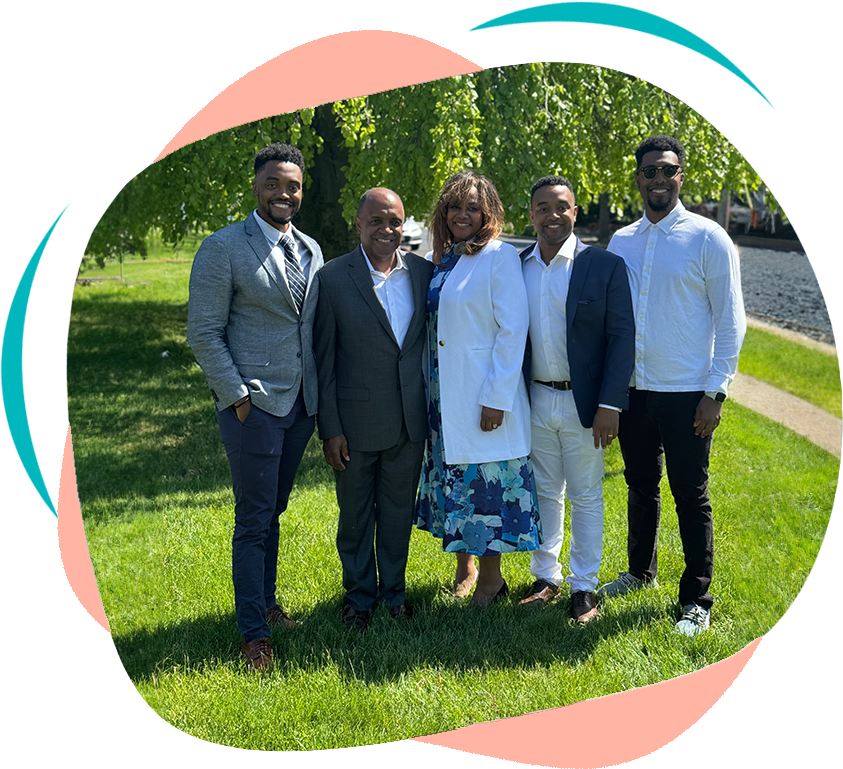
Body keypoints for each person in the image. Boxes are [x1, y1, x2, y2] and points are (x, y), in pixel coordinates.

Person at [598, 135, 746, 636]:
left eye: (668, 170)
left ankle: (696, 598)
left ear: (681, 175)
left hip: (688, 394)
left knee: (690, 492)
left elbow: (731, 320)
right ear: (637, 178)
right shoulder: (621, 241)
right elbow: (613, 321)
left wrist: (715, 391)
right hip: (635, 392)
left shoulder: (708, 238)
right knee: (640, 486)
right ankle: (640, 571)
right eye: (650, 171)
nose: (659, 179)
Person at [186, 143, 323, 670]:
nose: (283, 194)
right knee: (253, 519)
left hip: (300, 407)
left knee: (275, 511)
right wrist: (238, 397)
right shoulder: (223, 247)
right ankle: (253, 634)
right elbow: (203, 330)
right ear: (256, 187)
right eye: (273, 184)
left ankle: (266, 603)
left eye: (292, 186)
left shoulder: (310, 248)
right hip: (254, 407)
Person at [414, 171, 541, 606]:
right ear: (443, 213)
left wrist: (496, 397)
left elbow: (513, 330)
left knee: (484, 484)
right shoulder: (446, 258)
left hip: (480, 393)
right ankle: (464, 566)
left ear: (488, 213)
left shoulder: (498, 257)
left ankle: (491, 581)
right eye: (455, 206)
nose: (462, 214)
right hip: (443, 395)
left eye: (473, 207)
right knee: (457, 478)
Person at [313, 188, 433, 632]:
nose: (387, 229)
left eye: (395, 221)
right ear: (358, 225)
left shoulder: (424, 273)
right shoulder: (332, 278)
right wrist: (330, 428)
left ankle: (395, 594)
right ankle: (359, 598)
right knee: (357, 517)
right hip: (355, 424)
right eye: (377, 221)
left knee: (399, 512)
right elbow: (323, 362)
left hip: (408, 420)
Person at [518, 176, 635, 624]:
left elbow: (622, 338)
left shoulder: (603, 266)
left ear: (575, 211)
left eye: (561, 206)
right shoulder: (517, 266)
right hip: (534, 399)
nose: (553, 215)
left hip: (587, 405)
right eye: (543, 207)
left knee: (586, 495)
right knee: (545, 490)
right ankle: (545, 577)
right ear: (531, 215)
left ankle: (583, 586)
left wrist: (611, 404)